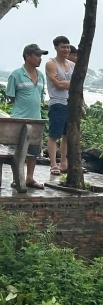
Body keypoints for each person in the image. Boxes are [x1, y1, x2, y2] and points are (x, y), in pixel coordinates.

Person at [5, 44, 47, 190]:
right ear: (27, 56)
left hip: (36, 118)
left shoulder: (41, 76)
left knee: (34, 150)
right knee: (17, 150)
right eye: (37, 55)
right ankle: (18, 178)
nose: (40, 59)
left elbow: (41, 96)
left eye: (41, 56)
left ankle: (29, 178)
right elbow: (11, 96)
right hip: (19, 119)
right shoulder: (16, 74)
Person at [44, 36, 75, 175]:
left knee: (67, 135)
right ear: (56, 48)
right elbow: (57, 84)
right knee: (54, 135)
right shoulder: (51, 63)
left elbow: (76, 85)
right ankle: (53, 164)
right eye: (63, 47)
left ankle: (64, 163)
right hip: (57, 103)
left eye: (68, 47)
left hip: (70, 104)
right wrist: (71, 84)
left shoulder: (72, 65)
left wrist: (66, 83)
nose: (66, 49)